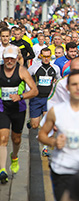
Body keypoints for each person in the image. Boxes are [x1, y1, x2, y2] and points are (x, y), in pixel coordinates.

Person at [38, 69, 79, 200]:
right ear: (67, 87)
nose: (78, 88)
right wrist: (53, 142)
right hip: (63, 170)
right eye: (74, 84)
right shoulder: (55, 111)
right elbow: (42, 135)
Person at [0, 46, 38, 183]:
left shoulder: (22, 71)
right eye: (7, 59)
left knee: (16, 139)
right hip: (2, 108)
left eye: (12, 58)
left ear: (17, 58)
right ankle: (2, 170)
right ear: (3, 59)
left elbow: (34, 91)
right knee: (3, 138)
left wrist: (21, 96)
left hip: (18, 109)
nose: (9, 61)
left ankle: (14, 156)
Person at [27, 47, 61, 129]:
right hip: (36, 98)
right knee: (34, 125)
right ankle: (31, 121)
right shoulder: (34, 67)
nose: (46, 59)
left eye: (48, 56)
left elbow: (59, 79)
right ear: (40, 56)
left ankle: (44, 140)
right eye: (44, 56)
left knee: (47, 124)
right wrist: (30, 92)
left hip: (48, 98)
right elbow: (26, 78)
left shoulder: (55, 68)